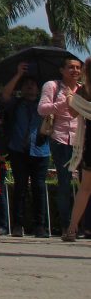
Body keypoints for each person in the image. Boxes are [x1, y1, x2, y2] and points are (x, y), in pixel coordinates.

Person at [0, 64, 50, 237]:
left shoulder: (44, 105)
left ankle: (40, 225)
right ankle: (18, 225)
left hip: (40, 150)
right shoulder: (16, 104)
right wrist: (18, 74)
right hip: (18, 149)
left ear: (38, 88)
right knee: (20, 188)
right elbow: (5, 95)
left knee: (39, 188)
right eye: (26, 83)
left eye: (33, 84)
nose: (29, 86)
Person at [39, 58, 82, 234]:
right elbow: (42, 109)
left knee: (84, 186)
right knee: (64, 184)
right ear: (62, 70)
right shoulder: (52, 86)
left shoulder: (83, 89)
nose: (74, 70)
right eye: (70, 67)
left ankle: (83, 226)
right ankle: (66, 226)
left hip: (82, 140)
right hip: (61, 139)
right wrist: (64, 103)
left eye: (78, 68)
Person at [61, 58, 91, 242]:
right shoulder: (84, 90)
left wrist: (72, 99)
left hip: (90, 142)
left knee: (85, 189)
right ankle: (72, 227)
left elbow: (73, 113)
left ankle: (72, 228)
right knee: (85, 189)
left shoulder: (84, 90)